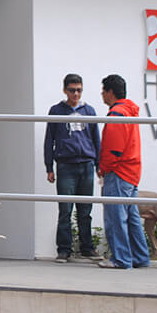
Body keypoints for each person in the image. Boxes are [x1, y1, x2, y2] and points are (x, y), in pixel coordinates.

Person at [44, 74, 100, 263]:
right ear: (65, 90)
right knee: (65, 210)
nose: (76, 93)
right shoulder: (56, 111)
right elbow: (49, 140)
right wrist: (48, 167)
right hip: (66, 165)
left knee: (85, 210)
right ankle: (64, 250)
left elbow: (96, 139)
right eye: (72, 90)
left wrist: (99, 165)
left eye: (79, 90)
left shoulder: (89, 111)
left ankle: (87, 248)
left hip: (86, 164)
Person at [97, 74, 151, 270]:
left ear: (110, 92)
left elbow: (113, 149)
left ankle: (121, 259)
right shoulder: (129, 112)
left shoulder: (117, 115)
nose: (102, 93)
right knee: (132, 217)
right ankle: (140, 257)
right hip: (132, 171)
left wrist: (104, 168)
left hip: (118, 172)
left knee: (116, 217)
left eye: (103, 90)